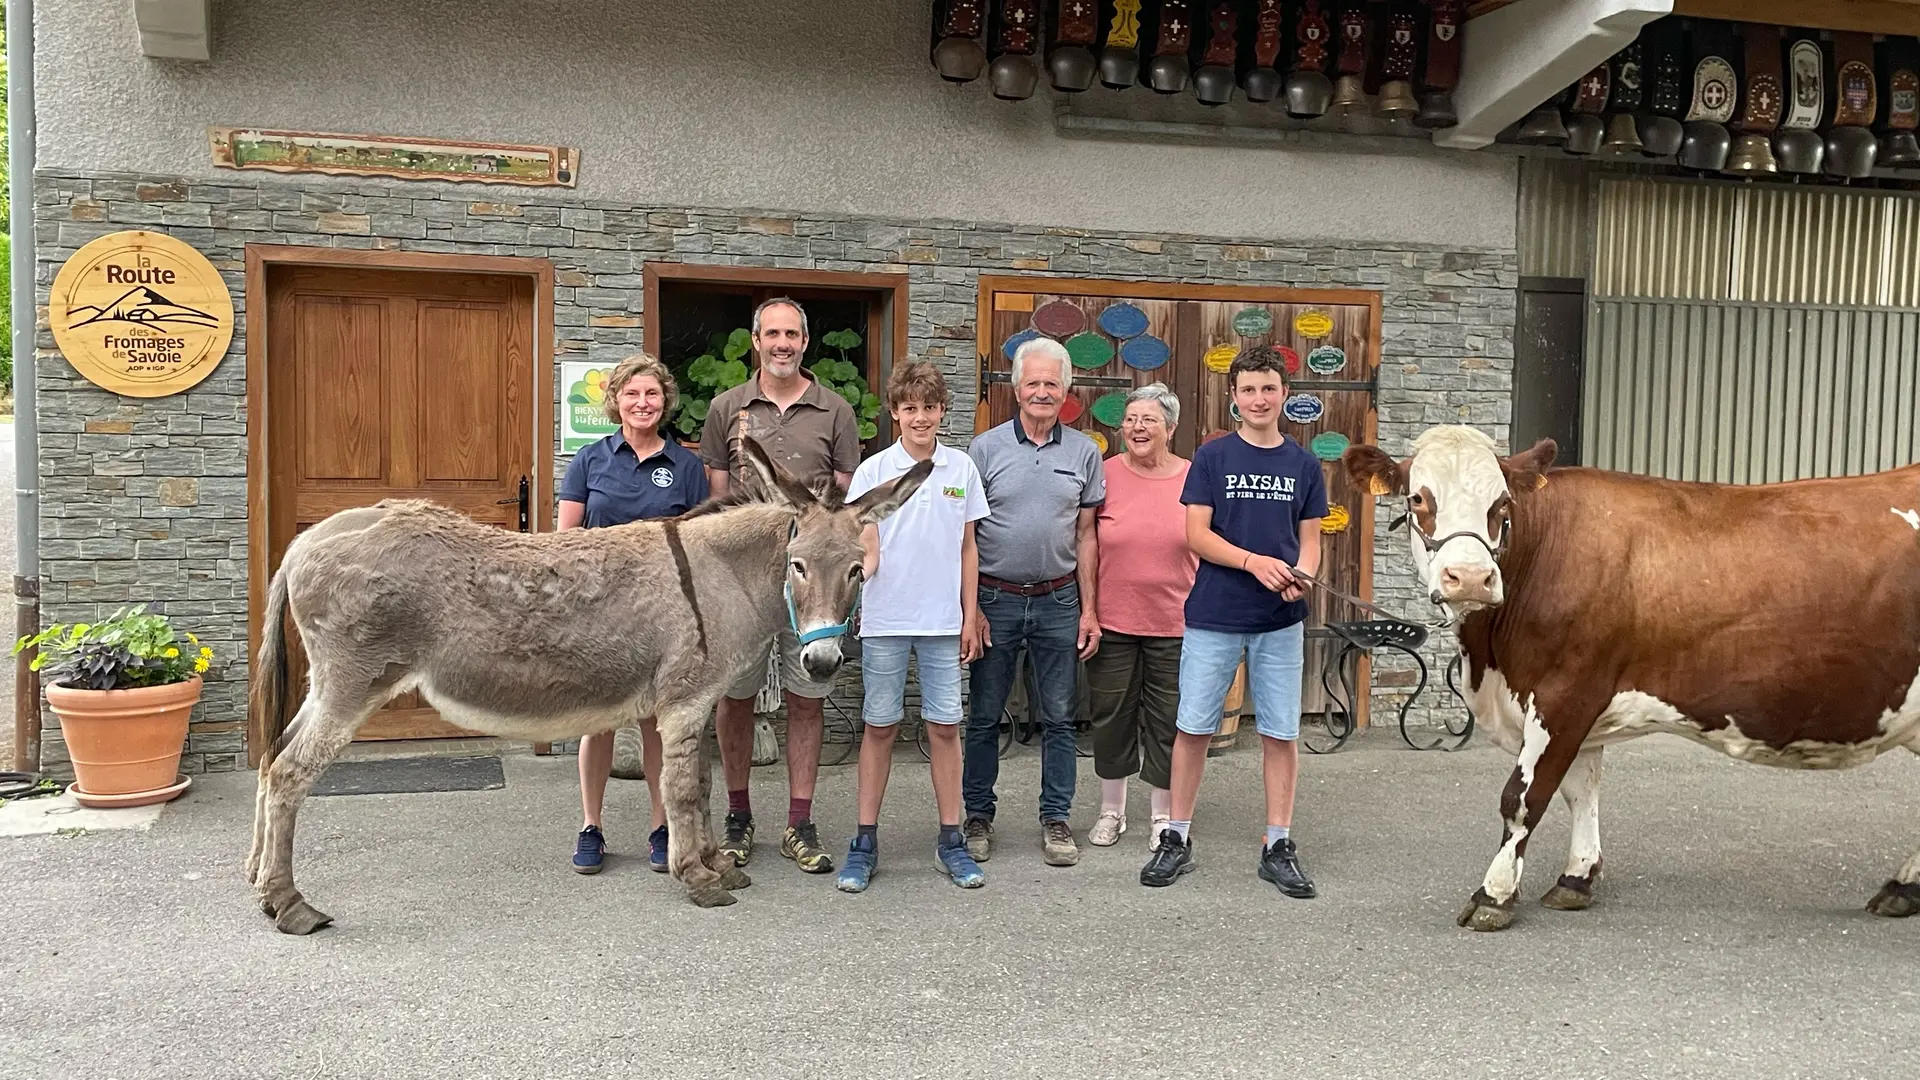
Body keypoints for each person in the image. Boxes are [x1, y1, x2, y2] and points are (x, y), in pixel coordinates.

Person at [1139, 345, 1325, 898]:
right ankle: (1176, 836)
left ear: (1284, 396)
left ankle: (1278, 843)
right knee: (1193, 727)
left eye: (1269, 388)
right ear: (1234, 398)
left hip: (1280, 620)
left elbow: (1311, 544)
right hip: (1215, 616)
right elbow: (1195, 535)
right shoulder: (1213, 459)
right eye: (1249, 390)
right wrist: (1252, 562)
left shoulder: (1303, 465)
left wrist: (1302, 575)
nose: (1259, 399)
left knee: (1280, 733)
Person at [699, 296, 861, 875]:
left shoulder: (836, 411)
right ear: (756, 340)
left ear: (805, 341)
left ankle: (799, 821)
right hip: (742, 586)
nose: (782, 343)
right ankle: (738, 819)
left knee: (806, 700)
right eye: (772, 333)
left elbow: (843, 505)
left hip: (810, 586)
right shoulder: (727, 408)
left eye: (792, 333)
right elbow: (719, 503)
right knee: (734, 698)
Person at [834, 360, 991, 893]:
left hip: (944, 622)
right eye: (909, 409)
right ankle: (864, 842)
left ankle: (951, 839)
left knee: (945, 728)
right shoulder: (874, 471)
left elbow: (969, 548)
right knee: (879, 727)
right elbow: (867, 545)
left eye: (928, 407)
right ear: (895, 413)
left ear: (942, 410)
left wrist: (971, 615)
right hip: (885, 621)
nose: (919, 418)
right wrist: (859, 583)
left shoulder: (961, 469)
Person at [558, 352, 709, 875]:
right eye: (632, 394)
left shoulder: (686, 468)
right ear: (615, 401)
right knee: (597, 721)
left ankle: (659, 826)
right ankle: (590, 827)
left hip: (661, 617)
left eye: (651, 394)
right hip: (598, 613)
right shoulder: (590, 460)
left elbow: (697, 546)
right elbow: (566, 543)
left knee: (653, 723)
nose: (642, 403)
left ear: (665, 401)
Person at [961, 337, 1105, 868]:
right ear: (1016, 388)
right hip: (995, 599)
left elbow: (1088, 535)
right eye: (1033, 382)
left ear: (1067, 390)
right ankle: (977, 816)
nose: (1042, 392)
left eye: (1052, 383)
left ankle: (1056, 818)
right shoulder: (985, 449)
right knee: (982, 716)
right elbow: (968, 536)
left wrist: (1090, 609)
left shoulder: (1085, 452)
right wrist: (970, 608)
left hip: (1058, 601)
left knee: (1061, 718)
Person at [1084, 382, 1195, 850]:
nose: (1137, 427)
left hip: (1177, 620)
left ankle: (1163, 816)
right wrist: (1088, 609)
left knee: (1170, 720)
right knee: (1111, 717)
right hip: (1114, 620)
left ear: (1170, 427)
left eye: (1148, 419)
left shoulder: (1195, 476)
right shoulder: (1104, 474)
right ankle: (1112, 811)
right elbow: (1085, 540)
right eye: (1130, 419)